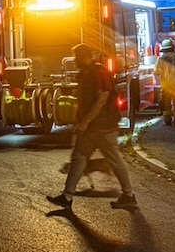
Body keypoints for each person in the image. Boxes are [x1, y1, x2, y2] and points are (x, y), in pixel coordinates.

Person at [47, 44, 135, 210]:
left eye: (76, 57)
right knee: (78, 159)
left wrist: (85, 122)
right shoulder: (86, 73)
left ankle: (128, 195)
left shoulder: (99, 72)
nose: (74, 61)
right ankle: (66, 196)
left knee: (114, 161)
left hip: (103, 127)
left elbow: (102, 99)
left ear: (83, 56)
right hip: (90, 128)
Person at [154, 39, 175, 126]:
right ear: (173, 47)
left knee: (166, 104)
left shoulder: (160, 58)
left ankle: (167, 121)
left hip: (166, 84)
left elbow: (156, 71)